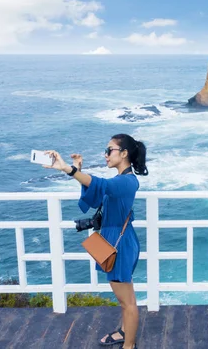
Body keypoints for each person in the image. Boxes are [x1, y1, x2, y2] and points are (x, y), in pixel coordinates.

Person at [43, 133, 148, 349]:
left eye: (110, 150)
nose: (106, 154)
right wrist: (78, 171)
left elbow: (102, 186)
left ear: (124, 153)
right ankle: (124, 332)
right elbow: (94, 198)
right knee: (123, 298)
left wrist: (67, 169)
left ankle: (129, 345)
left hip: (120, 244)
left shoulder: (127, 182)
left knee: (128, 302)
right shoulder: (120, 180)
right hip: (114, 240)